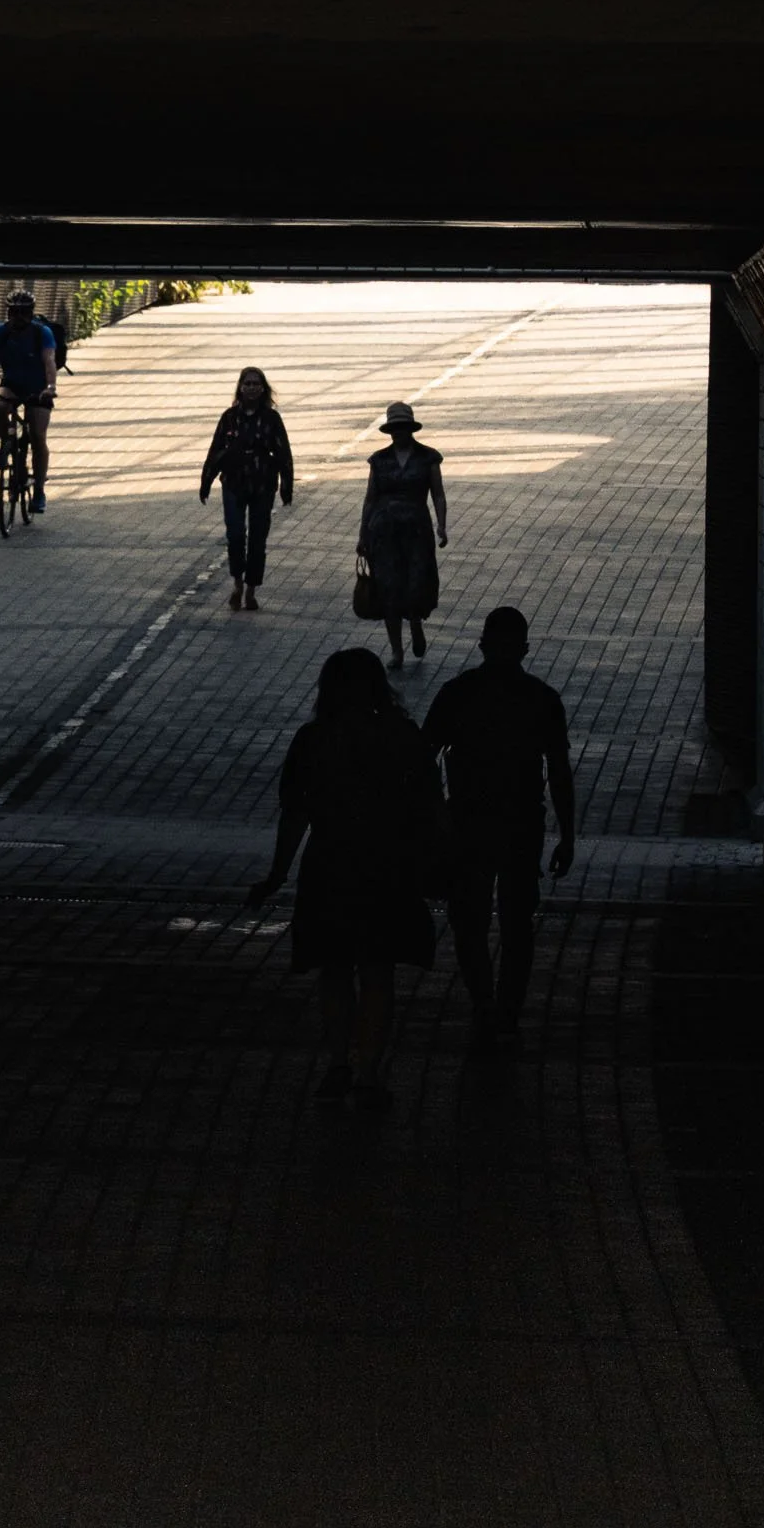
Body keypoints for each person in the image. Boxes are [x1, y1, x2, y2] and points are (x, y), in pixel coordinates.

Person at [248, 648, 442, 1111]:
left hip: (329, 863)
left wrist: (277, 873)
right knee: (378, 971)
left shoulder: (314, 739)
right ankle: (369, 1072)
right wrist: (434, 862)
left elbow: (295, 813)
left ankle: (338, 1062)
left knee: (334, 969)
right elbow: (430, 805)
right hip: (387, 865)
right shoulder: (400, 736)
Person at [422, 608, 576, 1055]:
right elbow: (560, 772)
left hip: (467, 821)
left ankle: (483, 1002)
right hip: (522, 823)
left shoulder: (458, 694)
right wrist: (567, 835)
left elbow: (423, 755)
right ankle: (507, 1009)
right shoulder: (542, 699)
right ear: (526, 649)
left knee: (468, 919)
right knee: (516, 922)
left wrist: (435, 814)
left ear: (482, 645)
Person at [357, 401, 448, 669]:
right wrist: (363, 534)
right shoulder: (379, 460)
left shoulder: (428, 457)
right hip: (383, 533)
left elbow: (438, 494)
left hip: (417, 531)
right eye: (395, 429)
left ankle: (416, 621)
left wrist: (442, 525)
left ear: (411, 429)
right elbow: (370, 498)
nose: (399, 433)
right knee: (388, 589)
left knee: (416, 584)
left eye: (403, 428)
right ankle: (396, 649)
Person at [198, 366, 296, 610]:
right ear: (240, 387)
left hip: (263, 484)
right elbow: (216, 449)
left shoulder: (271, 419)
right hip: (234, 483)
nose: (251, 388)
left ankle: (252, 588)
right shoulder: (229, 417)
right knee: (235, 535)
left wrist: (287, 484)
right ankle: (237, 583)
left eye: (256, 383)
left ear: (263, 388)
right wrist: (206, 480)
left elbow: (284, 452)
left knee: (258, 538)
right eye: (247, 383)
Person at [0, 289, 59, 514]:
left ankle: (38, 490)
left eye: (24, 312)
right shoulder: (0, 331)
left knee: (38, 435)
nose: (18, 317)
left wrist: (50, 388)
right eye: (13, 312)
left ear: (31, 313)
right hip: (11, 383)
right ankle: (6, 442)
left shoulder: (42, 333)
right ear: (8, 312)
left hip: (38, 387)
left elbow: (49, 361)